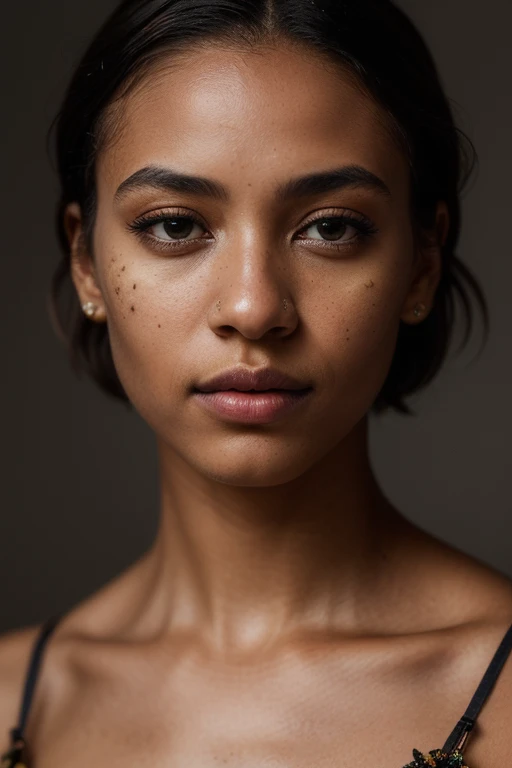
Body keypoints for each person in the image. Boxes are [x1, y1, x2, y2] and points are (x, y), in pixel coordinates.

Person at [1, 0, 511, 765]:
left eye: (331, 226)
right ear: (86, 264)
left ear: (422, 265)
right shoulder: (12, 701)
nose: (254, 307)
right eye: (176, 225)